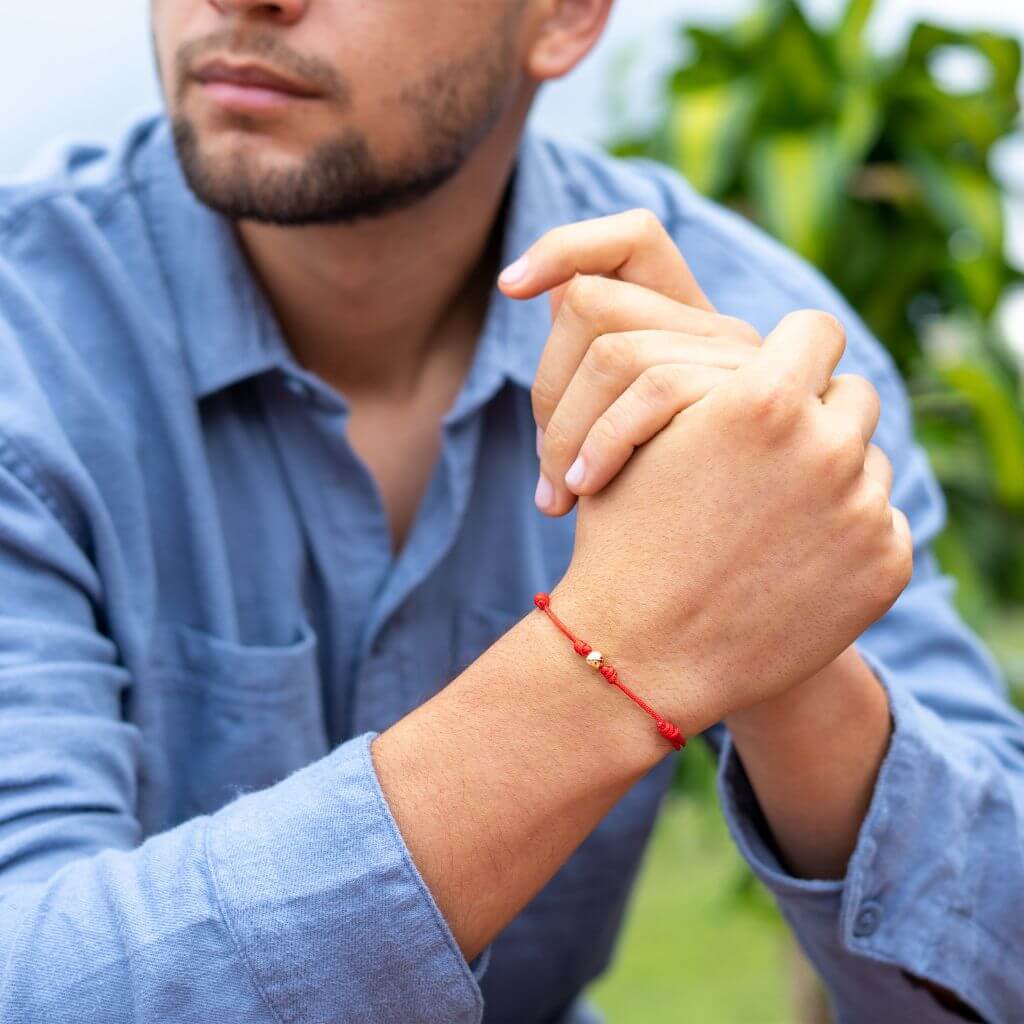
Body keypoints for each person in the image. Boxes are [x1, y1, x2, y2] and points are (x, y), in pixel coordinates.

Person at [0, 0, 1019, 1021]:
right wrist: (618, 655)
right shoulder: (25, 345)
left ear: (564, 18)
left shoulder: (759, 350)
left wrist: (782, 629)